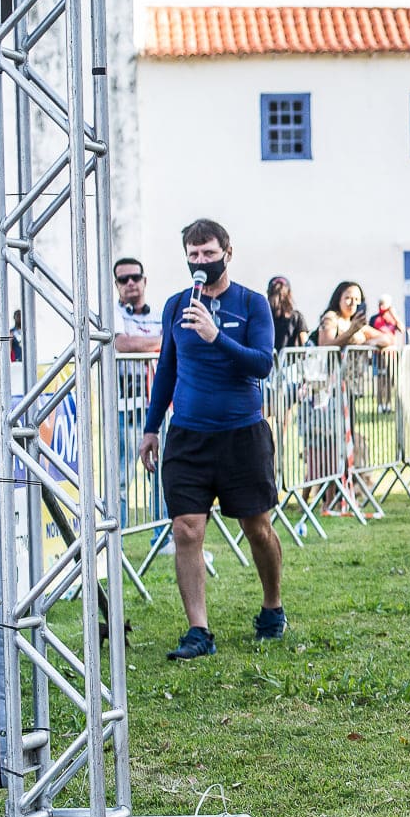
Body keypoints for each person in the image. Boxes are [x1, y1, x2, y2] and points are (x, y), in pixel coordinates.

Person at [137, 218, 283, 659]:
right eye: (193, 255)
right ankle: (198, 631)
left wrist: (215, 336)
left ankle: (272, 607)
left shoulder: (252, 304)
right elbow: (167, 368)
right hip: (189, 436)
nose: (200, 263)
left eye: (208, 254)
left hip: (242, 434)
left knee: (256, 528)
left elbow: (261, 365)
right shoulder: (177, 305)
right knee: (186, 529)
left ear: (227, 252)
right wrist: (151, 425)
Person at [112, 257, 162, 355]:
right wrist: (163, 341)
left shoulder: (159, 315)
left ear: (145, 281)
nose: (130, 283)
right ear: (117, 284)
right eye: (123, 279)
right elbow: (124, 344)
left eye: (135, 278)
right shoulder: (112, 313)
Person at [316, 281, 389, 348]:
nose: (353, 303)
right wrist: (351, 331)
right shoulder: (331, 318)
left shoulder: (356, 322)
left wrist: (368, 343)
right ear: (339, 299)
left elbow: (386, 338)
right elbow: (325, 347)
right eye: (348, 298)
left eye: (357, 299)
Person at [267, 276, 308, 350]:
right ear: (289, 294)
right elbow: (305, 344)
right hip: (290, 361)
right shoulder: (297, 316)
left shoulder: (263, 316)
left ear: (268, 293)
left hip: (267, 360)